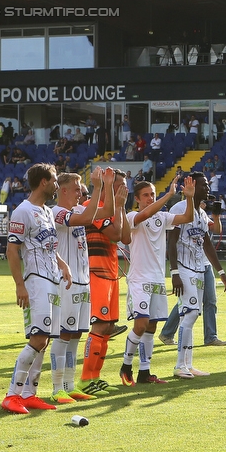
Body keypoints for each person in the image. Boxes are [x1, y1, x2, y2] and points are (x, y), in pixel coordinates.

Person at [1, 164, 73, 414]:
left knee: (44, 341)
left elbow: (50, 247)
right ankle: (12, 394)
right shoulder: (22, 211)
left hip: (52, 279)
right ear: (43, 182)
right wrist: (20, 286)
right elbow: (12, 250)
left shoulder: (47, 212)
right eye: (54, 180)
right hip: (36, 281)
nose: (56, 184)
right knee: (38, 338)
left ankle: (30, 393)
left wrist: (62, 263)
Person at [119, 176, 196, 386]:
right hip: (139, 279)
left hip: (157, 279)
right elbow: (146, 214)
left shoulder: (163, 216)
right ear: (137, 199)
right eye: (146, 195)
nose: (150, 198)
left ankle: (145, 372)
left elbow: (188, 217)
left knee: (151, 327)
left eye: (152, 194)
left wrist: (189, 198)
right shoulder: (133, 215)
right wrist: (169, 195)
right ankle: (126, 365)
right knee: (141, 323)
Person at [48, 168, 111, 404]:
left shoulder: (77, 209)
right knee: (63, 334)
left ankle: (70, 385)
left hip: (83, 281)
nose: (80, 192)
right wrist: (96, 188)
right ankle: (57, 388)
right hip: (66, 282)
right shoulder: (56, 212)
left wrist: (107, 188)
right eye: (77, 188)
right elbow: (87, 219)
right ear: (62, 190)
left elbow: (108, 212)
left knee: (75, 335)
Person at [165, 173, 226, 379]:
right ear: (192, 185)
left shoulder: (202, 215)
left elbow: (206, 244)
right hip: (184, 268)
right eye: (204, 184)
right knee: (191, 313)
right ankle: (179, 365)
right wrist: (174, 272)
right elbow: (171, 242)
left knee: (191, 315)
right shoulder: (178, 210)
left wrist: (221, 272)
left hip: (199, 269)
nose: (208, 188)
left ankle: (188, 364)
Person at [76, 170, 130, 397]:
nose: (123, 190)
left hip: (109, 272)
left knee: (107, 328)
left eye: (125, 186)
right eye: (119, 186)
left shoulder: (115, 207)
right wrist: (117, 205)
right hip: (96, 271)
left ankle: (95, 377)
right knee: (99, 326)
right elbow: (116, 234)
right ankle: (85, 379)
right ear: (109, 186)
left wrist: (122, 207)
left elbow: (126, 238)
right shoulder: (93, 206)